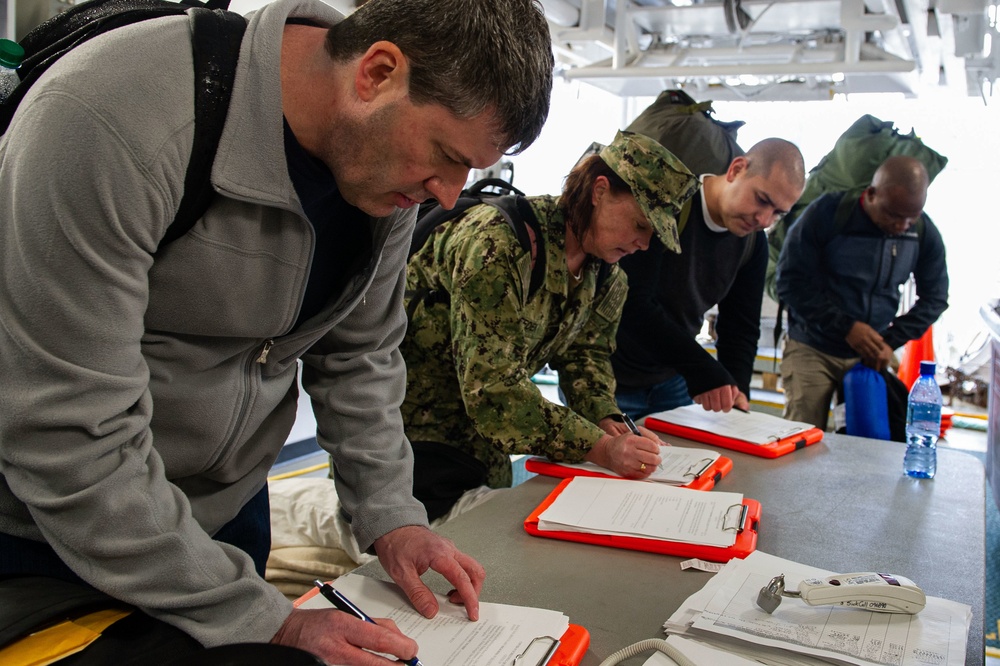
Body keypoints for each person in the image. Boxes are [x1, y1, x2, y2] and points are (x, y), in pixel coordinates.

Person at [0, 0, 554, 663]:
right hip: (43, 529)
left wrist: (392, 518)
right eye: (444, 156)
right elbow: (68, 430)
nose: (448, 196)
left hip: (223, 515)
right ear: (377, 72)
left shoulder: (386, 171)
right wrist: (263, 618)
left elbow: (361, 352)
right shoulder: (114, 118)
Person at [400, 130, 699, 521]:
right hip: (412, 447)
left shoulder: (605, 275)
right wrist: (600, 448)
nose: (644, 244)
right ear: (600, 190)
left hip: (484, 455)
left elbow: (585, 357)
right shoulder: (499, 244)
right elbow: (494, 389)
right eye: (640, 224)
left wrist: (608, 421)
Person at [611, 139, 806, 419]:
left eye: (778, 213)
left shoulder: (753, 244)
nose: (764, 220)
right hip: (609, 377)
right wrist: (703, 370)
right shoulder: (666, 205)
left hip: (672, 380)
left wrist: (736, 391)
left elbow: (741, 327)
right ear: (737, 170)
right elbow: (631, 303)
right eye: (762, 200)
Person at [775, 155, 949, 430]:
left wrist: (890, 341)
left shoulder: (923, 231)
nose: (902, 226)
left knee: (871, 444)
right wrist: (847, 327)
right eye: (892, 215)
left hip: (871, 354)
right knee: (801, 438)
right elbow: (789, 281)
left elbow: (936, 298)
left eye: (911, 217)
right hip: (813, 346)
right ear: (871, 194)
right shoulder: (829, 213)